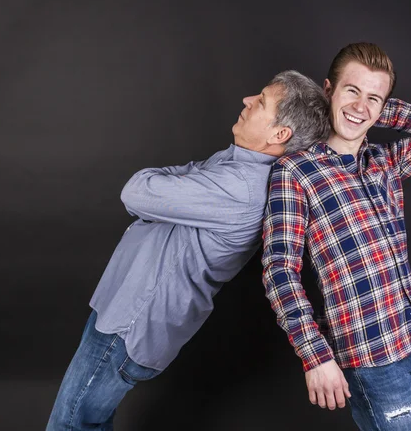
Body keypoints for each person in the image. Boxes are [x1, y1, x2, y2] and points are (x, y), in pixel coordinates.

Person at [46, 70, 330, 430]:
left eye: (260, 102)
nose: (247, 101)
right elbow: (175, 180)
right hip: (121, 309)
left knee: (71, 423)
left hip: (131, 323)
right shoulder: (235, 163)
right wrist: (181, 182)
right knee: (91, 420)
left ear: (280, 134)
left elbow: (135, 191)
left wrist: (175, 184)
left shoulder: (240, 186)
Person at [262, 43, 411, 430]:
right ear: (328, 90)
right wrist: (315, 355)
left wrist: (373, 106)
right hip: (372, 358)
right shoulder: (296, 172)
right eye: (351, 90)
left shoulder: (384, 162)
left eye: (374, 97)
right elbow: (279, 270)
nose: (360, 105)